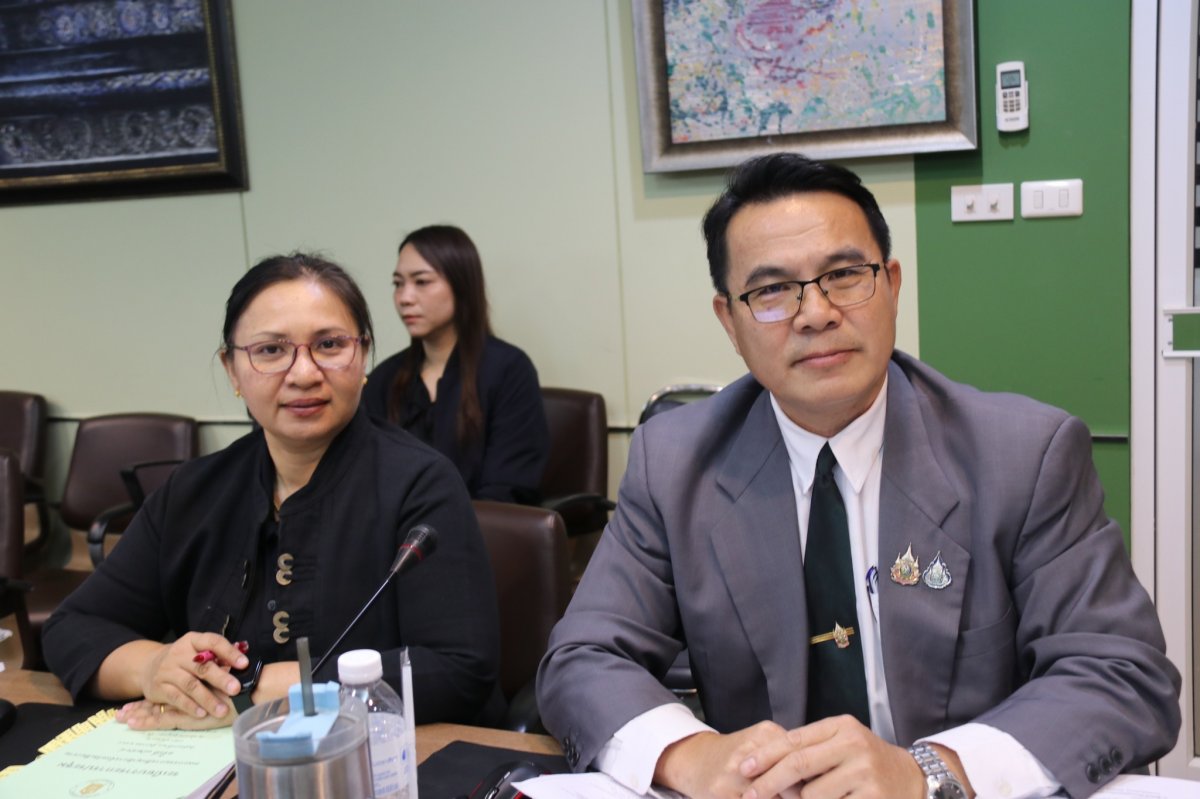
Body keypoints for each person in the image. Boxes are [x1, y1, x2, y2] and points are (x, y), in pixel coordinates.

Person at [536, 154, 1181, 799]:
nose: (815, 313)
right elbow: (584, 659)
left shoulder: (1024, 456)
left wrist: (930, 772)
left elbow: (1121, 674)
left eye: (844, 275)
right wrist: (694, 756)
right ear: (729, 321)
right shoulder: (675, 463)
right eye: (771, 291)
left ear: (892, 286)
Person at [44, 252, 501, 729]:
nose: (303, 373)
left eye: (329, 345)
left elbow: (458, 669)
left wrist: (249, 688)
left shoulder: (422, 484)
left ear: (363, 355)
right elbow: (73, 628)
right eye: (270, 350)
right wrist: (158, 669)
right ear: (232, 370)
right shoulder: (193, 491)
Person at [363, 224, 549, 504]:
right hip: (400, 530)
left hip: (482, 527)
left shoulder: (509, 370)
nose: (405, 298)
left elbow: (508, 489)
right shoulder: (384, 379)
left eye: (421, 282)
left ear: (461, 285)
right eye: (398, 284)